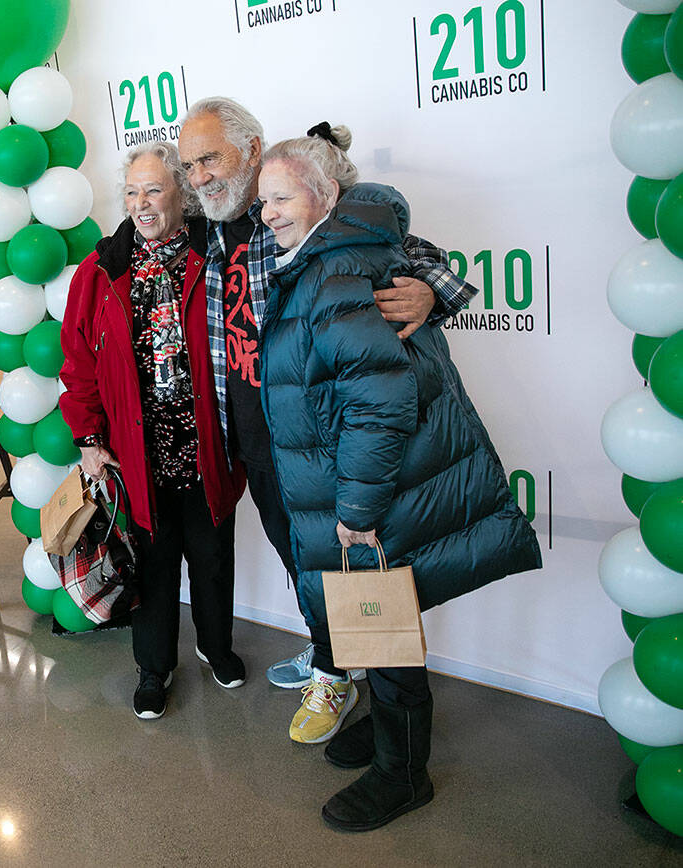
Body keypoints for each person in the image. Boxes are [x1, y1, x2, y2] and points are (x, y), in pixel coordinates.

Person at [254, 127, 541, 831]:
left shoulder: (335, 271)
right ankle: (391, 733)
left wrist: (354, 505)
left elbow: (380, 404)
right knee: (380, 623)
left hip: (371, 495)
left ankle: (403, 774)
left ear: (325, 196)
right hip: (372, 485)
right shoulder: (330, 255)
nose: (268, 215)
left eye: (282, 197)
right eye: (263, 202)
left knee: (380, 625)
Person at [176, 98, 481, 733]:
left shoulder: (297, 205)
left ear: (253, 151)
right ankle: (332, 657)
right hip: (254, 438)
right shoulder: (205, 226)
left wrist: (429, 292)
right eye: (190, 165)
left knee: (347, 567)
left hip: (313, 438)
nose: (199, 175)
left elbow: (411, 253)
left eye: (210, 158)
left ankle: (342, 680)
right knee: (300, 562)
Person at [60, 142, 244, 720]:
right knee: (153, 565)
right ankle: (153, 669)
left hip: (204, 444)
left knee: (212, 556)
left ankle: (216, 648)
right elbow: (78, 366)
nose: (141, 203)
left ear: (180, 196)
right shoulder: (99, 270)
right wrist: (89, 441)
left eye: (154, 190)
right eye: (132, 191)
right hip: (135, 453)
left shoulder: (213, 253)